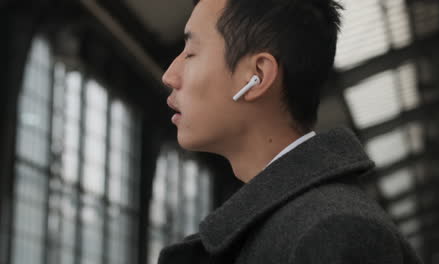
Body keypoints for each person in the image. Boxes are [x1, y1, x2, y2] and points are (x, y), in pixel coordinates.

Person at [159, 0, 423, 263]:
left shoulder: (335, 233)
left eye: (191, 53)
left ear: (257, 77)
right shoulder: (309, 221)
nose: (169, 75)